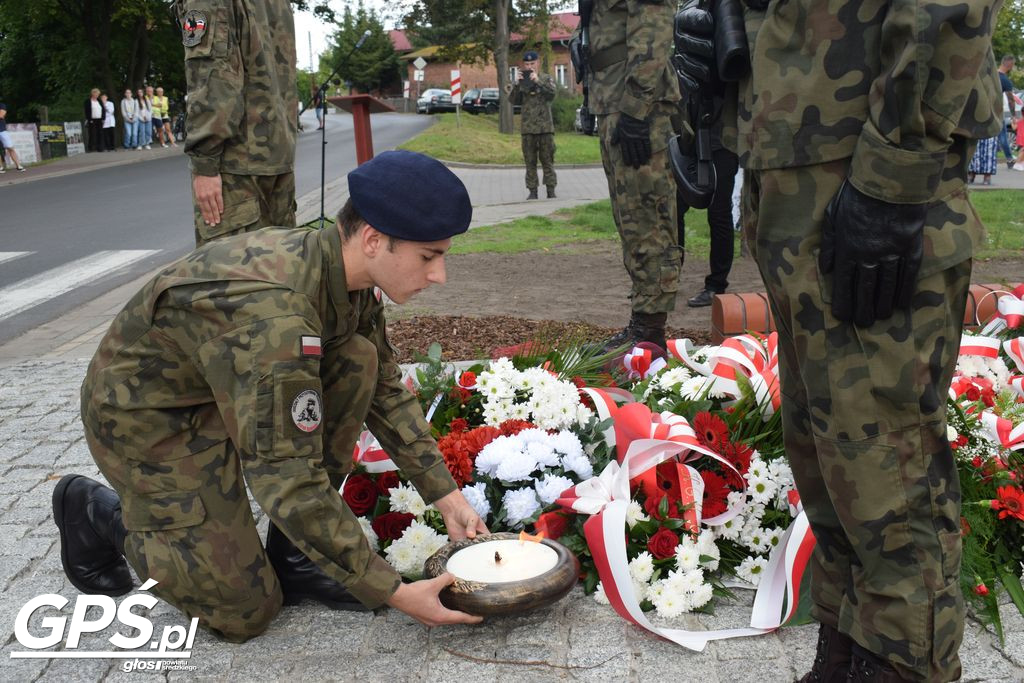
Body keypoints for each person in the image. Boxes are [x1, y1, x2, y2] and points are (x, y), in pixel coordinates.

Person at [674, 2, 1002, 680]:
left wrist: (895, 174)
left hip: (870, 152)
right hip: (796, 155)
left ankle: (904, 663)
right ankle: (852, 644)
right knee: (827, 451)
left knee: (884, 458)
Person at [54, 150, 487, 643]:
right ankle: (96, 511)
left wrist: (446, 496)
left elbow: (386, 388)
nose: (439, 275)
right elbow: (286, 477)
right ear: (372, 239)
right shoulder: (277, 318)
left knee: (357, 357)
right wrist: (391, 590)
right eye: (429, 256)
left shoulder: (346, 275)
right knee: (243, 612)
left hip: (230, 385)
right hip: (150, 415)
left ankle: (298, 556)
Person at [587, 0, 681, 350]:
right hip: (612, 101)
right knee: (629, 220)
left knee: (648, 219)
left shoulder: (635, 107)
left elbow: (653, 29)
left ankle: (650, 331)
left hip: (636, 107)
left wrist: (636, 108)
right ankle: (644, 322)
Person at [177, 0, 298, 247]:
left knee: (232, 279)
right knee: (281, 274)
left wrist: (205, 163)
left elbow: (213, 78)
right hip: (277, 157)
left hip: (237, 166)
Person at [676, 110, 739, 308]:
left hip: (723, 141)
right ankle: (670, 274)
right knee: (674, 208)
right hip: (690, 139)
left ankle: (716, 285)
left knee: (719, 214)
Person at [508, 50, 557, 199]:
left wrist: (538, 82)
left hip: (545, 128)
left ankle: (551, 190)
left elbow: (552, 94)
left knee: (547, 161)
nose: (530, 66)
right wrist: (516, 84)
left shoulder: (546, 78)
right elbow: (513, 101)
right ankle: (532, 192)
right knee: (530, 163)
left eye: (532, 63)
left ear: (538, 63)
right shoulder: (522, 82)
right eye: (527, 64)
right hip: (528, 129)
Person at [997, 55, 1017, 169]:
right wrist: (1014, 115)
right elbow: (1011, 101)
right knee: (1003, 136)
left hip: (983, 110)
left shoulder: (990, 75)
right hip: (998, 112)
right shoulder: (1005, 81)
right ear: (1010, 66)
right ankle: (1009, 159)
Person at [0, 102, 25, 172]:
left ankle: (18, 166)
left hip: (2, 130)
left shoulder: (1, 105)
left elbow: (1, 115)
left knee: (10, 147)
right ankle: (0, 168)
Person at [83, 88, 104, 153]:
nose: (97, 95)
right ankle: (90, 148)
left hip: (99, 119)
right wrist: (90, 119)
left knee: (99, 133)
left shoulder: (99, 101)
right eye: (96, 94)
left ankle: (99, 147)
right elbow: (87, 111)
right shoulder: (88, 101)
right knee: (92, 133)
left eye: (98, 94)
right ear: (93, 94)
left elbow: (103, 110)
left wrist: (103, 118)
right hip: (92, 120)